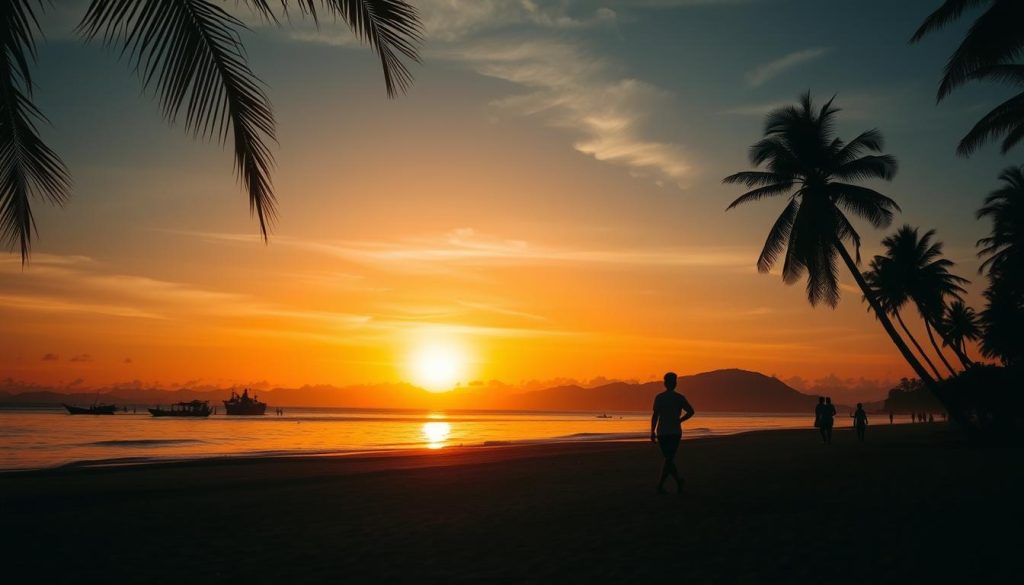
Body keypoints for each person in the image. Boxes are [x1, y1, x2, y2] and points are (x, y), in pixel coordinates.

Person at [650, 372, 695, 494]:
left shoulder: (660, 397)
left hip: (663, 432)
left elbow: (655, 416)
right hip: (673, 431)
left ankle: (661, 485)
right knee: (669, 458)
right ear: (675, 383)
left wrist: (652, 431)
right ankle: (676, 482)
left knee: (668, 458)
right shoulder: (679, 397)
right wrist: (680, 420)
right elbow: (691, 412)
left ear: (665, 383)